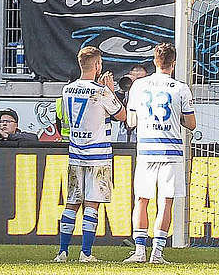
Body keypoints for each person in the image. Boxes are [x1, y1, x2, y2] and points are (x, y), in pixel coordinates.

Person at [125, 43, 195, 265]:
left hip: (146, 149)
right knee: (166, 202)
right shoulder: (180, 88)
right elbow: (191, 123)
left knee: (142, 200)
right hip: (171, 150)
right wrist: (178, 119)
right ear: (173, 64)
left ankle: (139, 251)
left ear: (154, 62)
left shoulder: (139, 85)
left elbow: (131, 121)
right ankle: (157, 253)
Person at [55, 45, 124, 263]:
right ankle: (85, 253)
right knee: (92, 203)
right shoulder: (100, 91)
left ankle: (62, 252)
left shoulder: (67, 89)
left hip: (76, 153)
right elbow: (121, 115)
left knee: (72, 202)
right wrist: (111, 91)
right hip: (98, 155)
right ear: (97, 65)